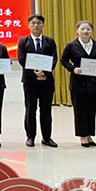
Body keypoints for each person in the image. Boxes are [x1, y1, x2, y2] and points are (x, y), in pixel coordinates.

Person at [60, 21, 96, 147]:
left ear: (92, 31)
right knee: (80, 110)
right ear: (77, 31)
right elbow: (63, 60)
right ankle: (83, 136)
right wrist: (73, 69)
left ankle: (89, 134)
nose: (85, 31)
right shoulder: (71, 45)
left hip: (94, 83)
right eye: (83, 29)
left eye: (88, 29)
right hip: (78, 83)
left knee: (92, 110)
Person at [17, 14, 58, 148]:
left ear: (43, 25)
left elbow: (54, 59)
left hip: (46, 80)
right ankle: (30, 137)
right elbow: (22, 60)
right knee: (30, 109)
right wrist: (35, 74)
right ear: (29, 25)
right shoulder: (23, 41)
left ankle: (46, 137)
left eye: (39, 23)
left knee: (46, 110)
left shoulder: (50, 41)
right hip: (30, 81)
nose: (36, 25)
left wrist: (44, 73)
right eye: (33, 23)